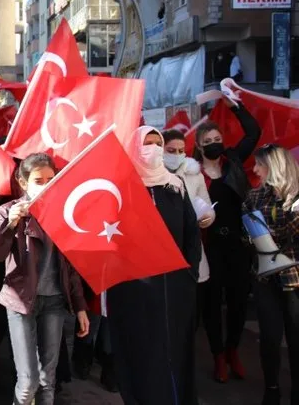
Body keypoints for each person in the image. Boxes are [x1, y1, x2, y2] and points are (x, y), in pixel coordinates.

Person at [107, 126, 201, 405]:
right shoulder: (122, 187)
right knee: (142, 349)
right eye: (145, 143)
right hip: (135, 288)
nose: (152, 149)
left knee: (174, 349)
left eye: (156, 143)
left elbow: (191, 233)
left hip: (174, 286)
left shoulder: (175, 186)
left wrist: (189, 273)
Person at [0, 153, 90, 405]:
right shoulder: (8, 211)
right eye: (38, 179)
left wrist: (80, 307)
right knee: (27, 383)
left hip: (55, 301)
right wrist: (11, 224)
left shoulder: (63, 211)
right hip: (21, 302)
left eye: (50, 179)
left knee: (48, 381)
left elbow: (70, 265)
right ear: (24, 182)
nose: (45, 184)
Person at [195, 95, 261, 382]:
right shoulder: (192, 172)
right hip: (209, 247)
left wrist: (235, 104)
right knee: (211, 303)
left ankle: (233, 350)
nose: (214, 142)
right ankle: (218, 355)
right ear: (199, 145)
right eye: (208, 139)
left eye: (217, 137)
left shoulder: (233, 160)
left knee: (237, 302)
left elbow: (254, 132)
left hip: (238, 244)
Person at [243, 144, 299, 405]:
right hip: (265, 276)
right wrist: (254, 236)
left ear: (274, 166)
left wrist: (267, 235)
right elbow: (247, 233)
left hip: (294, 278)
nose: (254, 170)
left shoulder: (296, 196)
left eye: (260, 164)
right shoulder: (255, 196)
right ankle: (272, 388)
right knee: (269, 337)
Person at [163, 128, 216, 284]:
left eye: (181, 151)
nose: (177, 155)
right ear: (161, 150)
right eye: (171, 150)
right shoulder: (153, 176)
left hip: (190, 240)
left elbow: (206, 204)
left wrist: (208, 217)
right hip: (165, 243)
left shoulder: (195, 175)